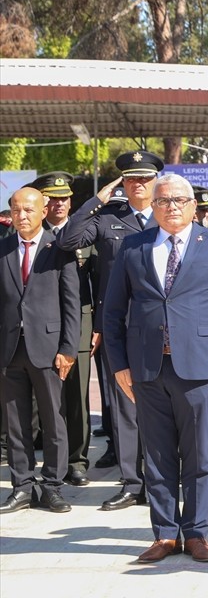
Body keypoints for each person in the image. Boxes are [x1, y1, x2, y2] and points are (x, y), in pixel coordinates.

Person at [102, 173, 208, 563]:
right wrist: (119, 364)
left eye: (180, 200)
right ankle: (165, 534)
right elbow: (113, 310)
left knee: (199, 455)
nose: (172, 207)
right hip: (147, 368)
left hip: (198, 367)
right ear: (154, 205)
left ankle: (197, 532)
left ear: (193, 206)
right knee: (157, 455)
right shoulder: (133, 247)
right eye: (164, 201)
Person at [57, 150, 163, 511]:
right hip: (117, 327)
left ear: (155, 182)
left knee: (160, 406)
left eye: (145, 179)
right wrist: (95, 201)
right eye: (131, 179)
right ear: (123, 183)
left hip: (161, 329)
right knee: (122, 408)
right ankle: (132, 483)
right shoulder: (108, 218)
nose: (138, 185)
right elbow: (68, 241)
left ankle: (160, 481)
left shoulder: (168, 216)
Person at [0, 187, 80, 514]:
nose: (22, 216)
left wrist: (68, 348)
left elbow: (71, 303)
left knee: (53, 419)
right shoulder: (2, 248)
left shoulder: (58, 249)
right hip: (8, 350)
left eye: (29, 210)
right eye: (17, 210)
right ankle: (21, 486)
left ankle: (51, 486)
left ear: (43, 211)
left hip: (48, 349)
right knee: (15, 423)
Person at [29, 172, 96, 487]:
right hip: (36, 325)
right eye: (52, 198)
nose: (59, 204)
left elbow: (100, 280)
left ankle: (76, 461)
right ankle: (46, 458)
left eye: (64, 198)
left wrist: (97, 324)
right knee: (41, 395)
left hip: (79, 321)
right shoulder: (25, 234)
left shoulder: (86, 232)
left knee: (75, 395)